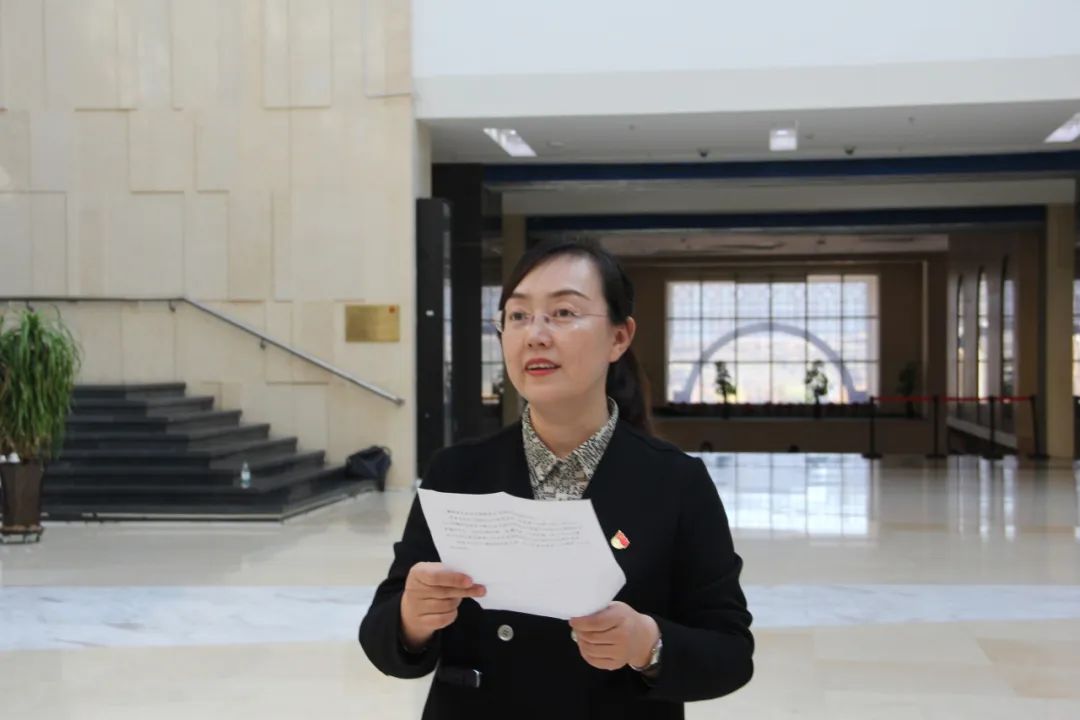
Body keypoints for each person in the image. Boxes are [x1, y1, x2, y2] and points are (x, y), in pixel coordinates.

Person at [359, 239, 753, 719]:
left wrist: (647, 643)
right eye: (518, 316)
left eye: (564, 313)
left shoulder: (676, 481)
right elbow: (381, 638)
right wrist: (411, 618)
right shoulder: (458, 471)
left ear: (619, 337)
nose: (535, 335)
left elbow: (731, 653)